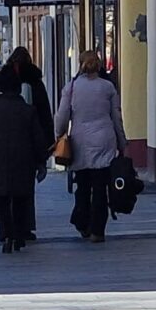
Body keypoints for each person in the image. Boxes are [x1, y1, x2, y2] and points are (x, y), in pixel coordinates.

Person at [53, 51, 126, 243]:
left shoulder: (72, 87)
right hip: (104, 139)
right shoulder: (108, 87)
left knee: (83, 185)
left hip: (80, 141)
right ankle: (98, 230)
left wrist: (59, 133)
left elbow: (62, 116)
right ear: (99, 65)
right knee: (101, 187)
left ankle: (82, 221)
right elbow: (116, 117)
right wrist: (122, 142)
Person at [0, 68, 46, 254]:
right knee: (21, 198)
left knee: (1, 200)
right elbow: (38, 139)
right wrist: (40, 161)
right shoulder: (27, 110)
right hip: (23, 161)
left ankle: (5, 234)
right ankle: (19, 234)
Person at [3, 47, 53, 239]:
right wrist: (46, 145)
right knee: (26, 187)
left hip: (6, 141)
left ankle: (8, 226)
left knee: (6, 186)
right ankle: (26, 225)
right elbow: (44, 114)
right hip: (29, 143)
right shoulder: (36, 82)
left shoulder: (5, 82)